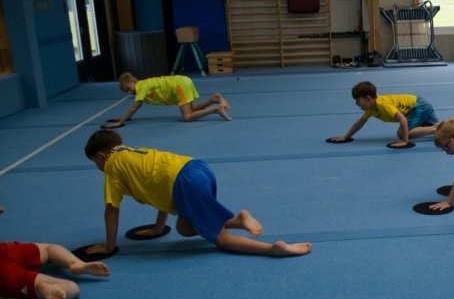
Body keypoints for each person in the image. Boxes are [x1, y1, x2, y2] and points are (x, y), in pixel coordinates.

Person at [83, 130, 313, 258]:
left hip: (185, 182)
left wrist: (109, 247)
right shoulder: (128, 153)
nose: (98, 167)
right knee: (184, 229)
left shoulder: (112, 167)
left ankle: (273, 249)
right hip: (195, 168)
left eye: (95, 162)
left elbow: (111, 210)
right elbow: (157, 186)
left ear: (101, 157)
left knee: (221, 239)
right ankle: (237, 220)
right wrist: (157, 228)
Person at [0, 206, 111, 299]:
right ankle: (76, 264)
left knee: (71, 287)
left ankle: (48, 286)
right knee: (49, 249)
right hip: (5, 253)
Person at [330, 81, 454, 148]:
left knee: (402, 132)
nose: (357, 104)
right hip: (420, 105)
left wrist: (404, 140)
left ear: (369, 98)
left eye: (358, 101)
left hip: (418, 107)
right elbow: (359, 123)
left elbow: (402, 118)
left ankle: (436, 127)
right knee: (443, 131)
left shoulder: (382, 105)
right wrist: (346, 136)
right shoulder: (371, 108)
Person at [104, 72, 232, 128]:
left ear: (134, 81)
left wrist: (120, 122)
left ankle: (215, 109)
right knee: (192, 110)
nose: (129, 92)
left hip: (179, 85)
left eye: (128, 88)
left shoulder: (141, 87)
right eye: (126, 91)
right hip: (181, 81)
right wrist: (125, 118)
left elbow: (134, 107)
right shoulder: (143, 85)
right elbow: (134, 108)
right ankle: (214, 98)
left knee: (187, 117)